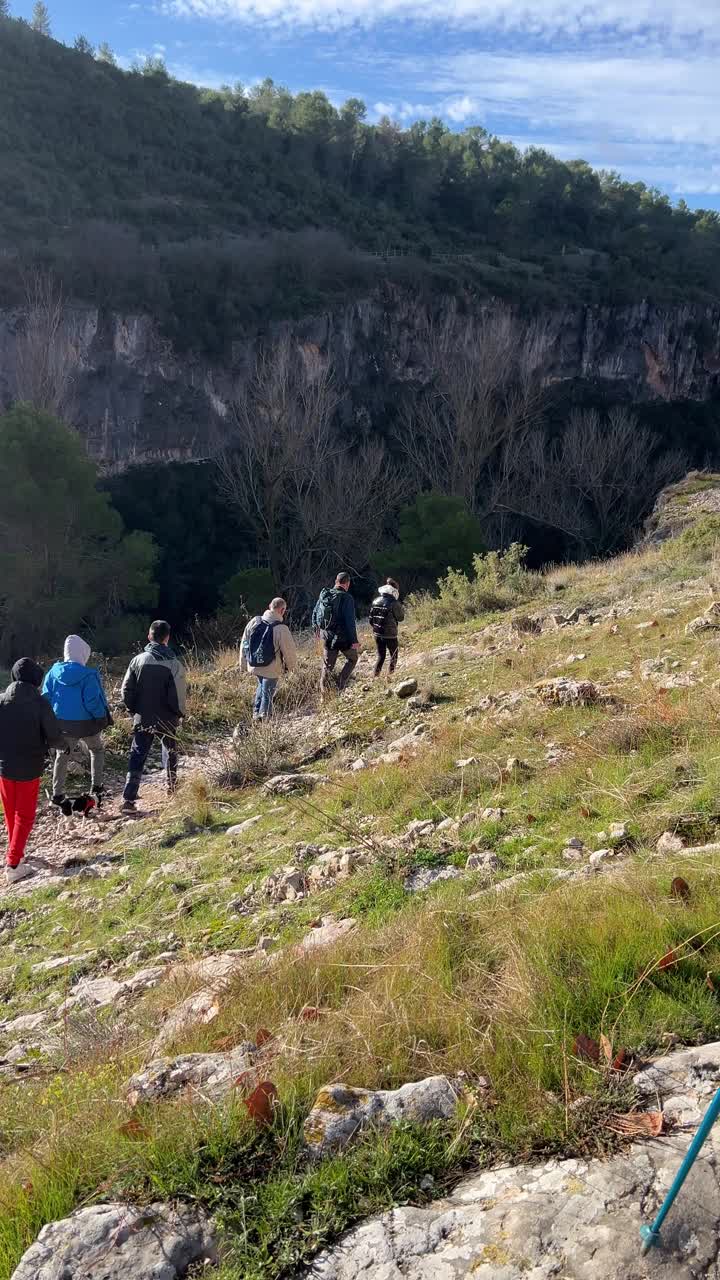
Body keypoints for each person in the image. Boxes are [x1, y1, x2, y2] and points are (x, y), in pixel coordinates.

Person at [0, 659, 67, 884]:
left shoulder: (1, 700)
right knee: (25, 815)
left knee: (11, 812)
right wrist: (64, 746)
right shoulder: (40, 704)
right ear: (37, 680)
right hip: (29, 767)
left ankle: (15, 851)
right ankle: (13, 864)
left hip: (4, 766)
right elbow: (54, 736)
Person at [119, 620, 187, 813]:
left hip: (143, 717)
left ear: (150, 636)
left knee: (138, 755)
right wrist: (179, 714)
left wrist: (133, 710)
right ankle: (172, 788)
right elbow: (179, 695)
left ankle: (128, 800)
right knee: (171, 750)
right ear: (167, 638)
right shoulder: (174, 663)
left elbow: (126, 689)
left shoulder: (137, 660)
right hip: (167, 718)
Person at [42, 635, 112, 808]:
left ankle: (57, 794)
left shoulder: (53, 672)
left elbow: (46, 698)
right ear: (83, 653)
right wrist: (101, 717)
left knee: (62, 755)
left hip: (63, 724)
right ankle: (97, 788)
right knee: (96, 750)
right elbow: (92, 702)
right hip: (88, 724)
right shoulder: (88, 675)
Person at [239, 597, 298, 721]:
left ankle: (256, 714)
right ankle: (264, 718)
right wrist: (292, 668)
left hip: (254, 663)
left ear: (269, 606)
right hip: (272, 667)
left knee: (261, 685)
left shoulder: (254, 621)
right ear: (282, 611)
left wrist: (243, 662)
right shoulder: (282, 629)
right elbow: (289, 651)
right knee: (268, 692)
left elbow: (244, 643)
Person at [312, 571, 360, 694]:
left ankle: (324, 694)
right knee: (353, 658)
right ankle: (339, 686)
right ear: (347, 584)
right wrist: (354, 641)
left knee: (327, 666)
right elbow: (350, 622)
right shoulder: (347, 598)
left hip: (327, 636)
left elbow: (315, 612)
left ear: (336, 581)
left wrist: (316, 629)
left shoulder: (324, 594)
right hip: (342, 638)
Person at [369, 578, 405, 677]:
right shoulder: (394, 603)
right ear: (394, 591)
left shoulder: (375, 601)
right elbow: (401, 618)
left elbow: (371, 620)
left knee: (381, 656)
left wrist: (377, 628)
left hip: (377, 634)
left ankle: (375, 676)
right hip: (390, 635)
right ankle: (390, 676)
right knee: (394, 656)